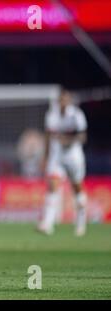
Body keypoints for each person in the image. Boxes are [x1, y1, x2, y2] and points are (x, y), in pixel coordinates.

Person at [38, 89, 88, 236]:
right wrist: (45, 157)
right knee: (53, 186)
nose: (63, 102)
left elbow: (83, 136)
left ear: (69, 101)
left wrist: (68, 141)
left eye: (65, 100)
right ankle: (47, 223)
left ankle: (80, 221)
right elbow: (48, 137)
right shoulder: (51, 115)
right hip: (57, 156)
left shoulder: (77, 115)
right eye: (61, 100)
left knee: (77, 187)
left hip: (74, 156)